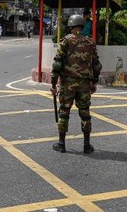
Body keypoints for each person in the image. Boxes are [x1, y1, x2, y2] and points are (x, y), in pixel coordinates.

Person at [50, 14, 102, 154]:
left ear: (71, 26)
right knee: (85, 113)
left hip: (68, 83)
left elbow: (57, 65)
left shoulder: (65, 42)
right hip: (85, 84)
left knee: (64, 112)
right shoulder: (90, 42)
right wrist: (94, 82)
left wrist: (54, 84)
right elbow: (96, 66)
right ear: (82, 26)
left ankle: (61, 144)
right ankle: (86, 145)